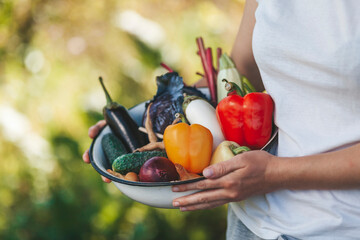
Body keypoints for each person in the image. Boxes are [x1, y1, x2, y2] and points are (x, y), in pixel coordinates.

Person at [83, 0, 360, 239]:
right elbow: (242, 68)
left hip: (334, 227)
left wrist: (274, 173)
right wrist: (133, 122)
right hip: (252, 218)